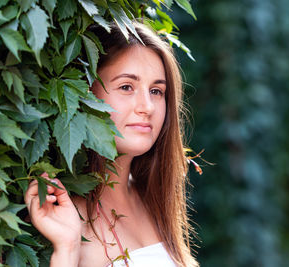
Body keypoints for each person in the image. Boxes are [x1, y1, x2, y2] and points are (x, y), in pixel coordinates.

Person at [24, 21, 198, 267]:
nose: (147, 107)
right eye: (127, 87)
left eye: (156, 91)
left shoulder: (153, 197)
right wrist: (67, 249)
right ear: (86, 94)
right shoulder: (63, 213)